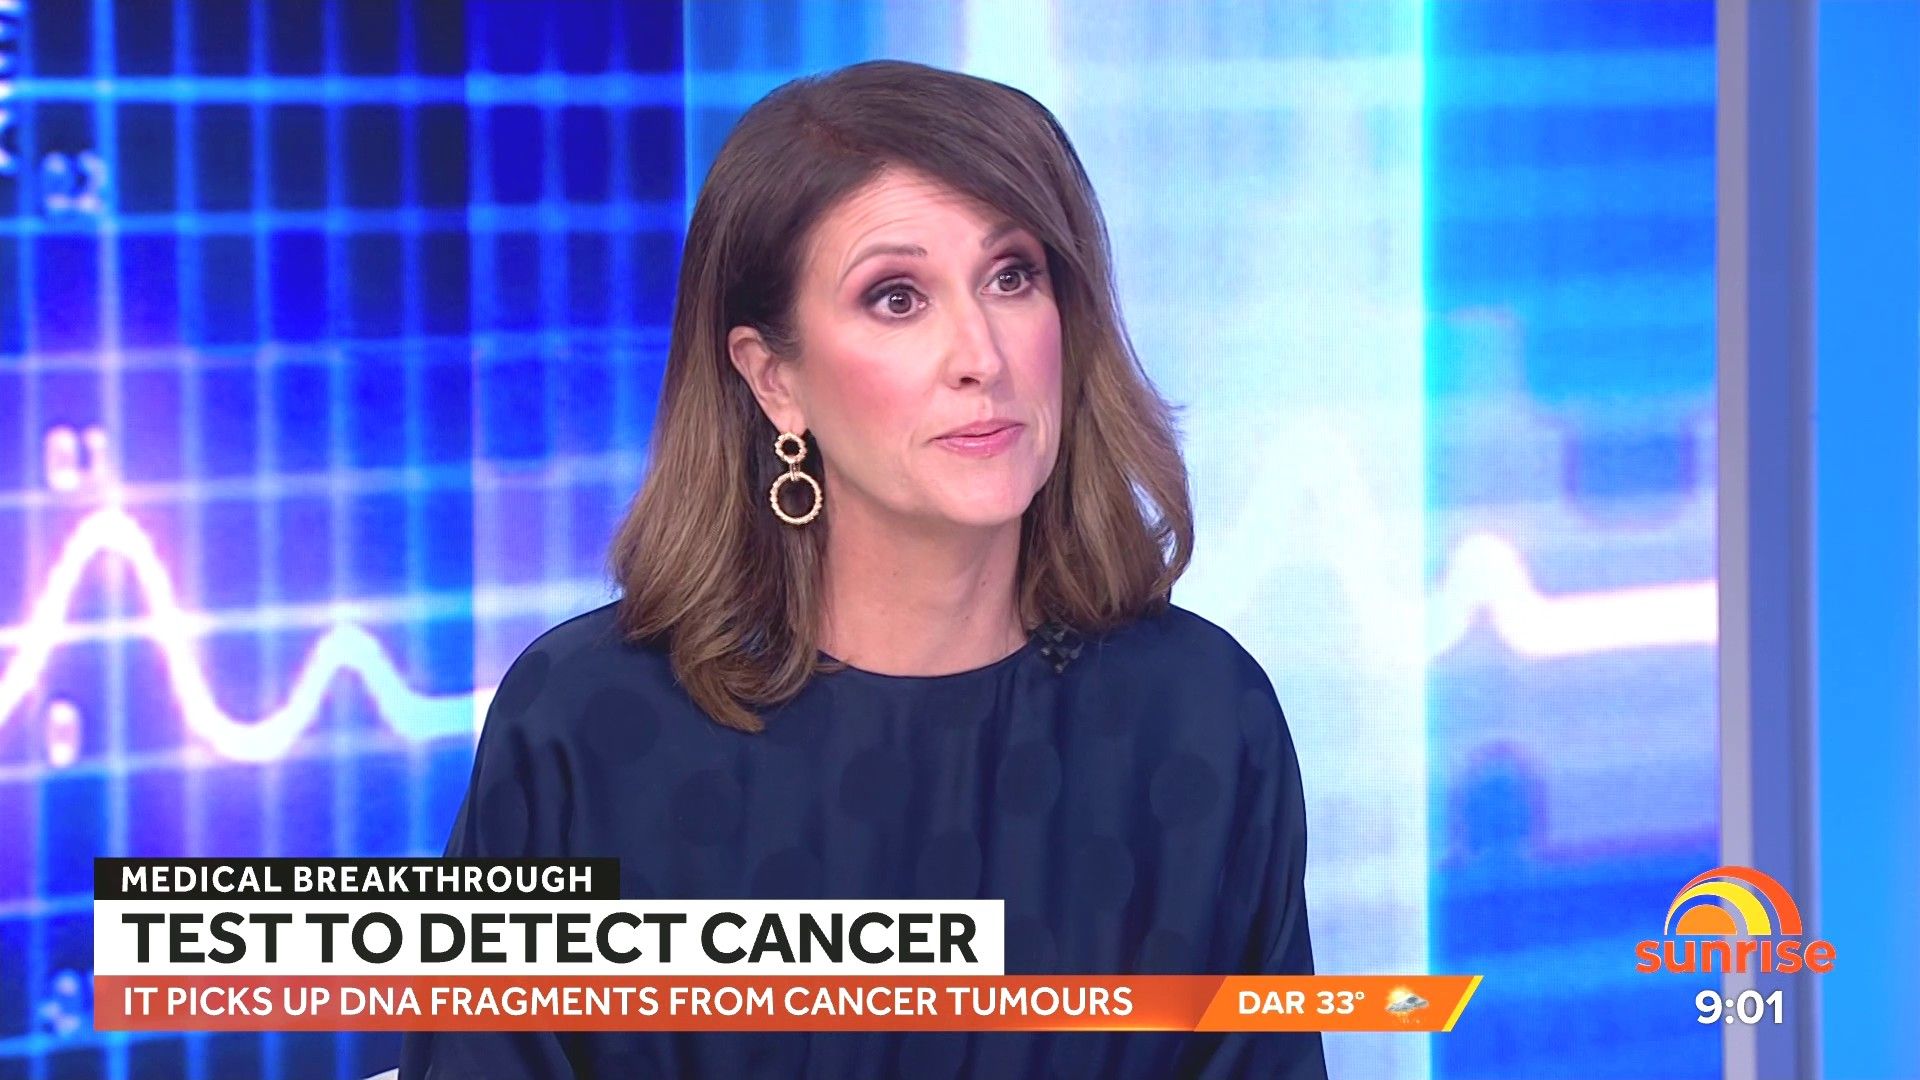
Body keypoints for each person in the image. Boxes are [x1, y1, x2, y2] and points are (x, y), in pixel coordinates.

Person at [400, 58, 1325, 1080]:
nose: (981, 355)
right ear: (774, 379)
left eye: (1012, 276)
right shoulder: (586, 727)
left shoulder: (1198, 716)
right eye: (896, 298)